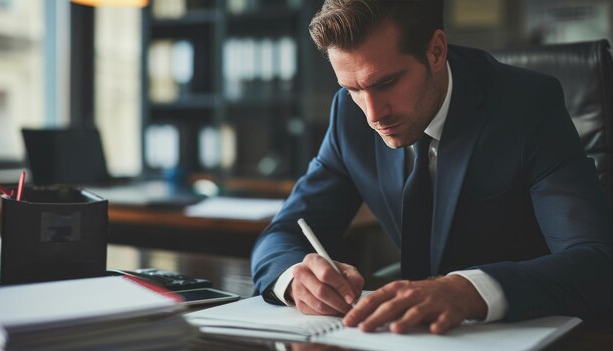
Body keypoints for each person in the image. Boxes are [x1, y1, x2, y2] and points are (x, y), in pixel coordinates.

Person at [251, 0, 613, 335]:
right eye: (353, 89)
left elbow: (595, 262)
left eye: (387, 82)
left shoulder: (527, 107)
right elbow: (280, 236)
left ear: (436, 51)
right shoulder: (348, 114)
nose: (373, 115)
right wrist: (294, 278)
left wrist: (467, 290)